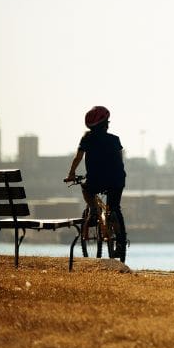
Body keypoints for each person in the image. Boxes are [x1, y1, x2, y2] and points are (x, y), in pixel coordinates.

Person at [64, 106, 127, 252]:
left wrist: (71, 174)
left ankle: (93, 210)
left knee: (86, 189)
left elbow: (78, 157)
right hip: (117, 180)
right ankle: (120, 243)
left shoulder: (87, 139)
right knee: (115, 208)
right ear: (105, 124)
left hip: (96, 180)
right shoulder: (114, 139)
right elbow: (120, 160)